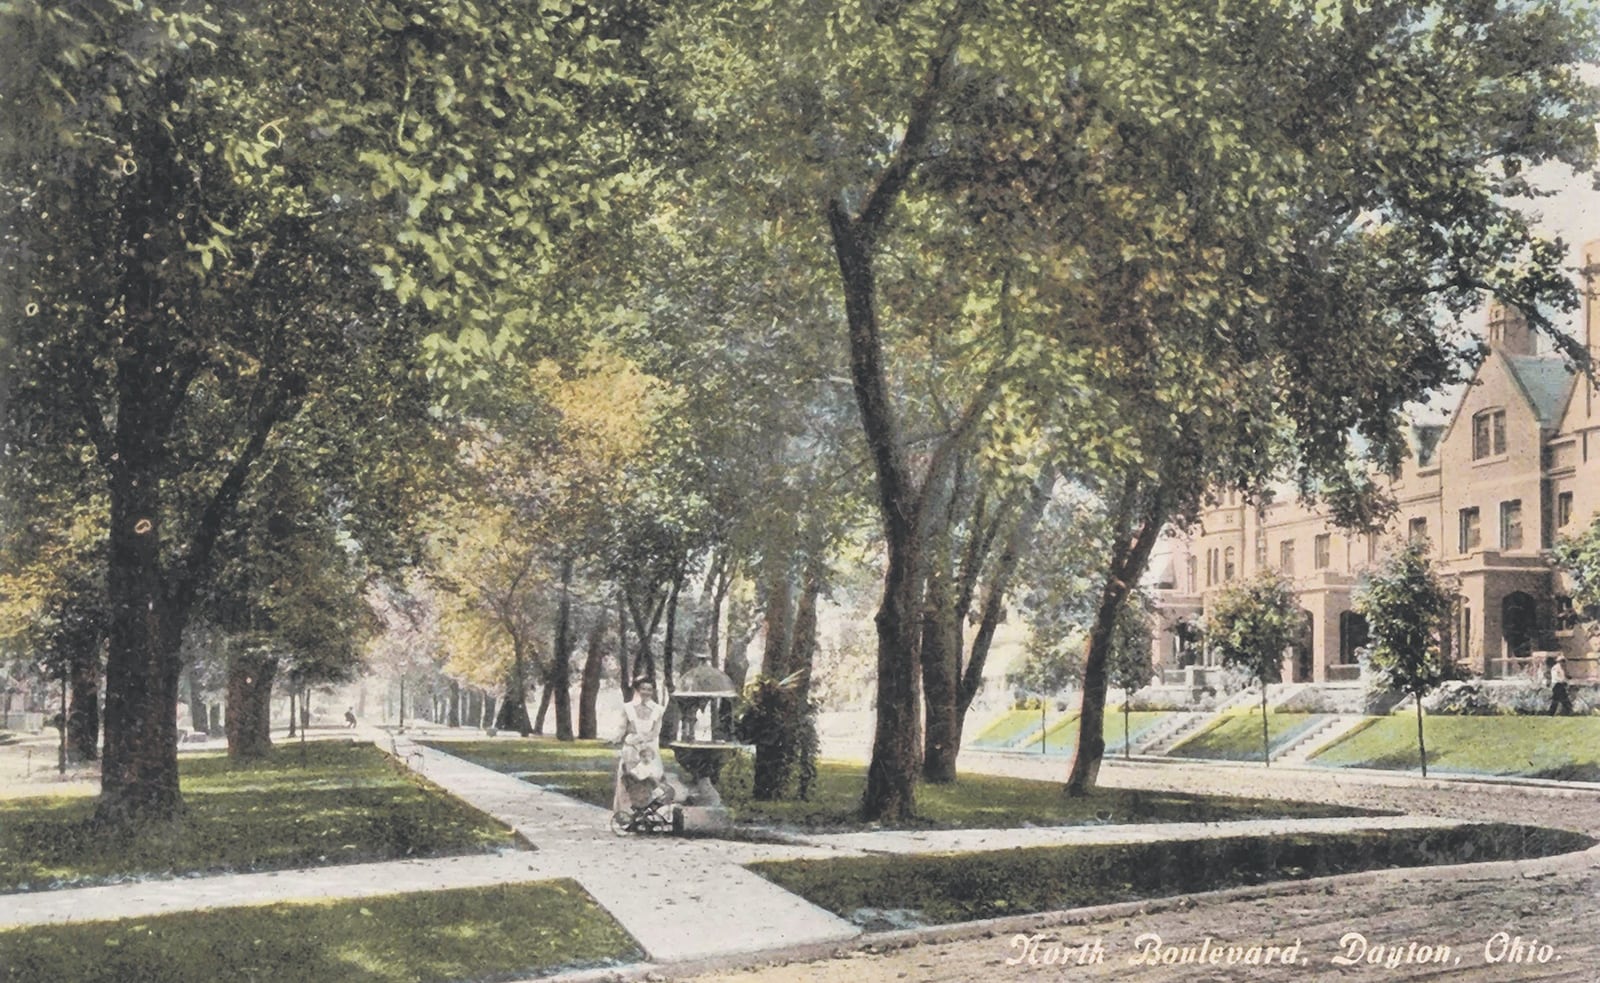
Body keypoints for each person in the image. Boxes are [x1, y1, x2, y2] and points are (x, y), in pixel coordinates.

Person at [612, 677, 667, 817]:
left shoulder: (658, 710)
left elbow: (656, 732)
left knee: (650, 781)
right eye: (643, 689)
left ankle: (649, 815)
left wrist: (643, 739)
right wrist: (616, 738)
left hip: (649, 750)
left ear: (653, 691)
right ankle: (626, 814)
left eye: (649, 689)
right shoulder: (628, 707)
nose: (646, 692)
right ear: (637, 690)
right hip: (631, 749)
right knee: (630, 780)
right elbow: (622, 728)